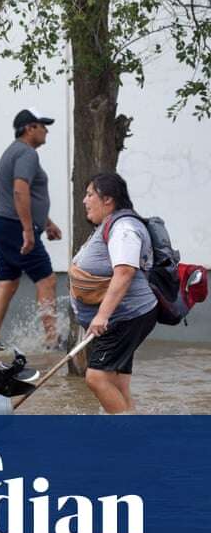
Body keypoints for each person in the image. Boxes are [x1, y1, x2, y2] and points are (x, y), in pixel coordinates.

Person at [70, 173, 158, 413]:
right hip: (122, 316)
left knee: (96, 377)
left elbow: (125, 272)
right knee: (118, 383)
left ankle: (127, 438)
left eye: (90, 194)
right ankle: (136, 435)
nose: (84, 201)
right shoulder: (110, 225)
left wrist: (102, 316)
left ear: (107, 199)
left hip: (125, 316)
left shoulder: (124, 228)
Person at [0, 107, 63, 348]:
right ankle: (52, 340)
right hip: (14, 227)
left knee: (7, 281)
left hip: (2, 225)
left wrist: (46, 223)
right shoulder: (27, 154)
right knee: (47, 279)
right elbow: (20, 190)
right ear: (30, 128)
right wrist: (28, 231)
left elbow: (23, 195)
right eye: (43, 125)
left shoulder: (13, 152)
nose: (46, 130)